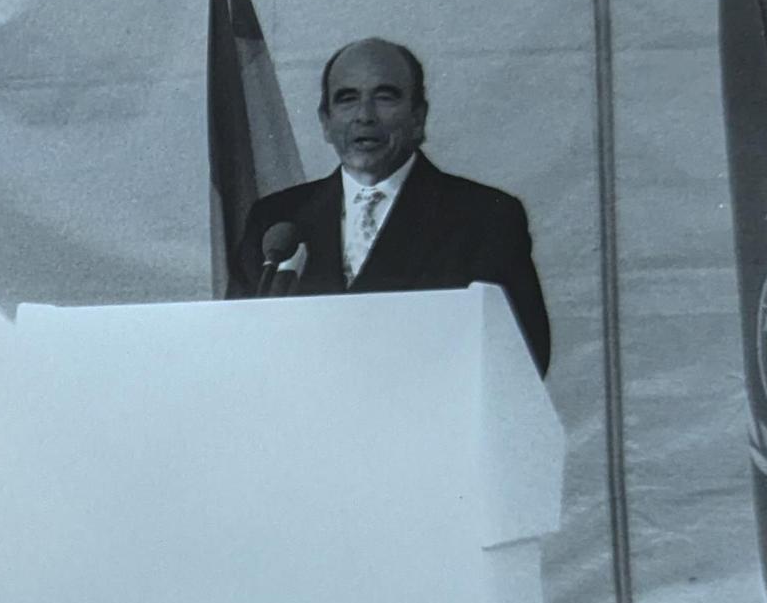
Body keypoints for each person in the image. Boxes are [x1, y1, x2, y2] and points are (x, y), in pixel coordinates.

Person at [228, 37, 553, 376]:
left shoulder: (485, 217)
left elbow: (522, 357)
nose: (364, 116)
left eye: (385, 97)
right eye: (347, 99)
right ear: (325, 121)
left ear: (418, 117)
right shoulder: (276, 219)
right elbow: (234, 349)